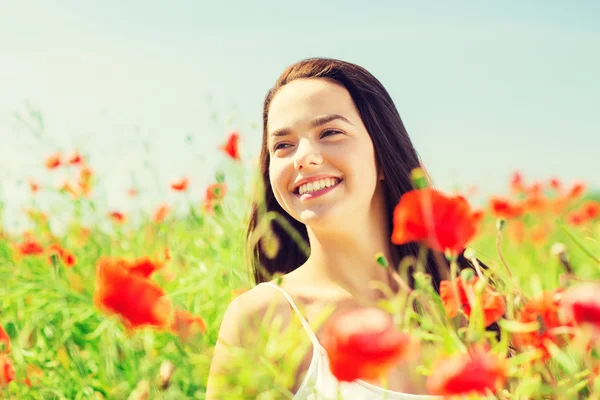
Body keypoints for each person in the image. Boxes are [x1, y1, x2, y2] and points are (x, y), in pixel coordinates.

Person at [207, 58, 479, 399]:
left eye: (330, 133)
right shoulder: (261, 318)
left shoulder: (471, 300)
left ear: (382, 153)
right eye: (283, 145)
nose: (304, 157)